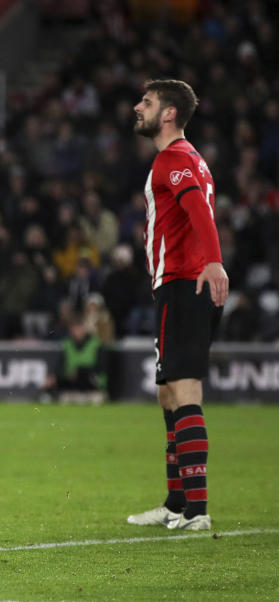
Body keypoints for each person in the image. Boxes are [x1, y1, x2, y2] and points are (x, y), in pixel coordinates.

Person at [126, 80, 228, 531]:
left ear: (168, 113)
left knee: (183, 392)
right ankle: (176, 504)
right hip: (178, 285)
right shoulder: (188, 158)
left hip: (186, 283)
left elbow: (199, 213)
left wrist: (213, 263)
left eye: (146, 103)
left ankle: (198, 511)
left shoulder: (174, 159)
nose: (137, 108)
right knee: (169, 392)